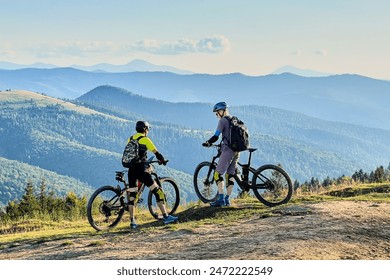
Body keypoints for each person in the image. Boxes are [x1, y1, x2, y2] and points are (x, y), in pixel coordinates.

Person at [126, 121, 178, 228]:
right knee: (158, 192)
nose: (148, 131)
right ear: (145, 129)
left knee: (132, 197)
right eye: (148, 129)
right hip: (142, 170)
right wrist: (163, 161)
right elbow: (157, 154)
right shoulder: (145, 140)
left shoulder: (131, 138)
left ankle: (132, 222)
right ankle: (166, 217)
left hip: (131, 170)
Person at [202, 102, 239, 207]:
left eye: (217, 112)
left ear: (222, 111)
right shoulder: (234, 119)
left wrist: (208, 142)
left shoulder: (223, 121)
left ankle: (221, 199)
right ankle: (227, 199)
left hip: (228, 151)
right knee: (230, 174)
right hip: (237, 151)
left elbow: (216, 136)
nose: (216, 115)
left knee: (217, 174)